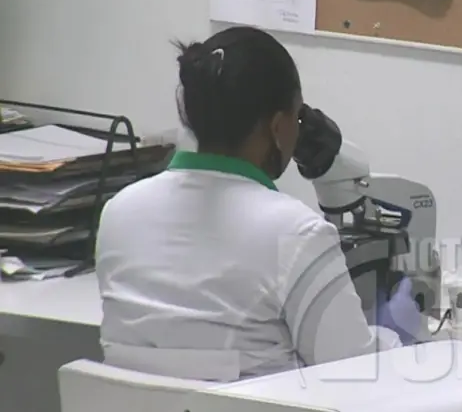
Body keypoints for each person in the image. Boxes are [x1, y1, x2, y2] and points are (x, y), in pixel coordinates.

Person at [95, 26, 422, 382]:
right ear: (279, 127)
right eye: (297, 117)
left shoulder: (118, 212)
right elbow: (354, 378)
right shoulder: (296, 233)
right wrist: (394, 331)